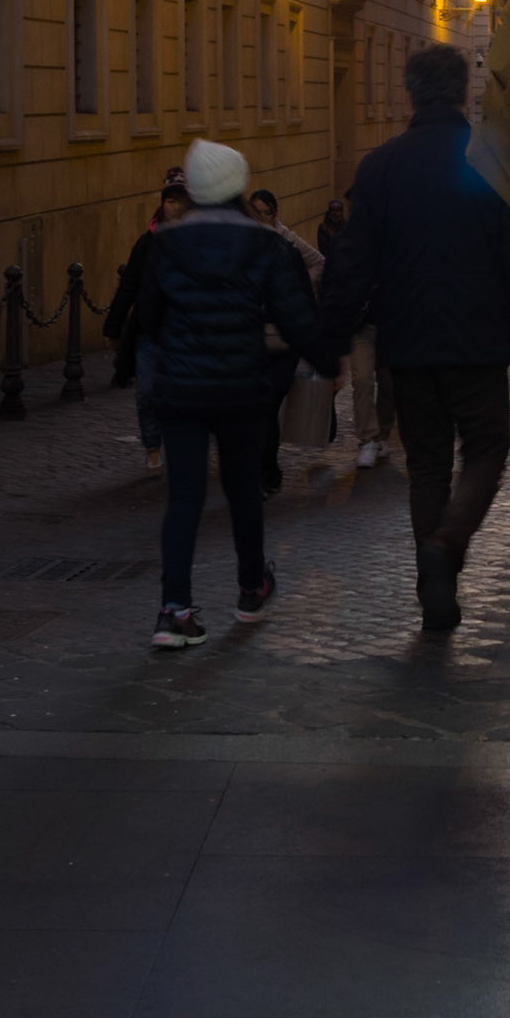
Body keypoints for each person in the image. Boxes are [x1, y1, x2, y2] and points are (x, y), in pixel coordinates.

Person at [318, 44, 510, 631]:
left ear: (410, 93)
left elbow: (352, 263)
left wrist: (329, 338)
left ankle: (434, 587)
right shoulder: (491, 160)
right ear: (461, 92)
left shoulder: (380, 168)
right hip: (477, 341)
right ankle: (447, 545)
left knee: (426, 465)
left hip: (406, 342)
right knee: (487, 449)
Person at [139, 138, 332, 649]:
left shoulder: (166, 244)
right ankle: (251, 588)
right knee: (244, 491)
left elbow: (150, 319)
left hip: (181, 388)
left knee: (184, 499)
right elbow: (293, 315)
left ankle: (173, 610)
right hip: (239, 386)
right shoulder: (263, 245)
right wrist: (329, 358)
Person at [103, 167, 191, 472]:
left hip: (186, 334)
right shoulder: (147, 243)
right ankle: (153, 446)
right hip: (149, 333)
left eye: (181, 201)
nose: (175, 207)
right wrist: (113, 327)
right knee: (146, 392)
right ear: (162, 204)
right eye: (170, 201)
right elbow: (129, 285)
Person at [249, 187, 325, 496]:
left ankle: (265, 471)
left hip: (283, 345)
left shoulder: (289, 250)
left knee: (268, 406)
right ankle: (266, 469)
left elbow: (306, 302)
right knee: (258, 410)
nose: (261, 220)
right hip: (251, 344)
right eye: (255, 214)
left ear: (274, 216)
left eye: (266, 213)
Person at [320, 191, 396, 471]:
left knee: (390, 384)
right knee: (363, 380)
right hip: (360, 325)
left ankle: (383, 433)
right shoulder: (345, 242)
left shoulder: (392, 238)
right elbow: (333, 281)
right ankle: (367, 439)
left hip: (388, 324)